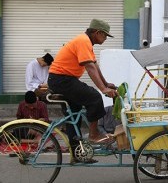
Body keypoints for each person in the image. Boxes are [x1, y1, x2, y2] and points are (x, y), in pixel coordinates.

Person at [47, 19, 118, 156]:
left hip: (63, 80)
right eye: (104, 35)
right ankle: (94, 135)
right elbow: (89, 67)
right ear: (97, 33)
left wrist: (105, 83)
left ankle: (76, 152)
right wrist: (102, 90)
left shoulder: (87, 43)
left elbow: (94, 65)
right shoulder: (83, 41)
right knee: (94, 97)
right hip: (61, 80)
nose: (105, 39)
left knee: (75, 114)